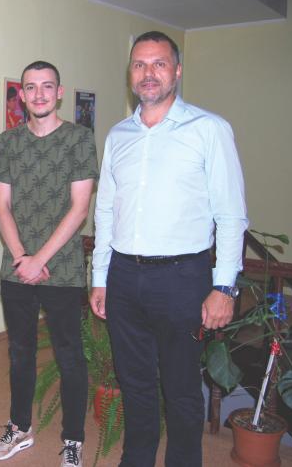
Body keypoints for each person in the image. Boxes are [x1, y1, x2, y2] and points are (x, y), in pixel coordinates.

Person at [89, 31, 248, 467]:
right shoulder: (118, 135)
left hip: (182, 279)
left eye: (159, 63)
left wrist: (224, 287)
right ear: (130, 73)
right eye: (140, 64)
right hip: (124, 277)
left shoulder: (209, 129)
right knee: (135, 385)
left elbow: (231, 215)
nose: (149, 73)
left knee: (180, 390)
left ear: (176, 71)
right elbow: (106, 211)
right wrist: (100, 277)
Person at [0, 61, 98, 467]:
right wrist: (22, 258)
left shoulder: (79, 139)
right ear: (21, 95)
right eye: (31, 88)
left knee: (70, 356)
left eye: (47, 86)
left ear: (59, 92)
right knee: (20, 353)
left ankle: (73, 439)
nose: (39, 94)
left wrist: (40, 259)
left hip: (62, 269)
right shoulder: (8, 141)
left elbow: (79, 208)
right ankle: (20, 428)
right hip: (16, 268)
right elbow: (2, 206)